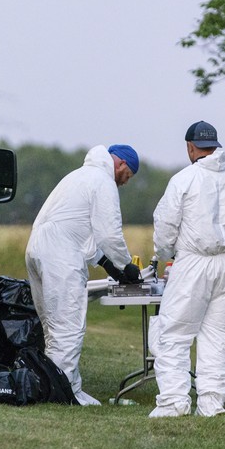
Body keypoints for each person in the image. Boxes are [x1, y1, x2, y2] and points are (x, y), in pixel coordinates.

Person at [149, 121, 225, 417]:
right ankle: (211, 402)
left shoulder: (184, 179)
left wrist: (166, 254)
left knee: (175, 333)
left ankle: (173, 401)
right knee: (219, 335)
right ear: (216, 145)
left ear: (190, 147)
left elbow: (166, 225)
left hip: (193, 261)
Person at [25, 144, 143, 406]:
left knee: (53, 329)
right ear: (123, 165)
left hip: (37, 249)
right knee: (67, 328)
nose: (125, 182)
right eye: (128, 176)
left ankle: (61, 387)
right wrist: (126, 265)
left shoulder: (77, 176)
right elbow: (109, 233)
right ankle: (63, 395)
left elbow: (79, 232)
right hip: (59, 257)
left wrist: (108, 265)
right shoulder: (103, 181)